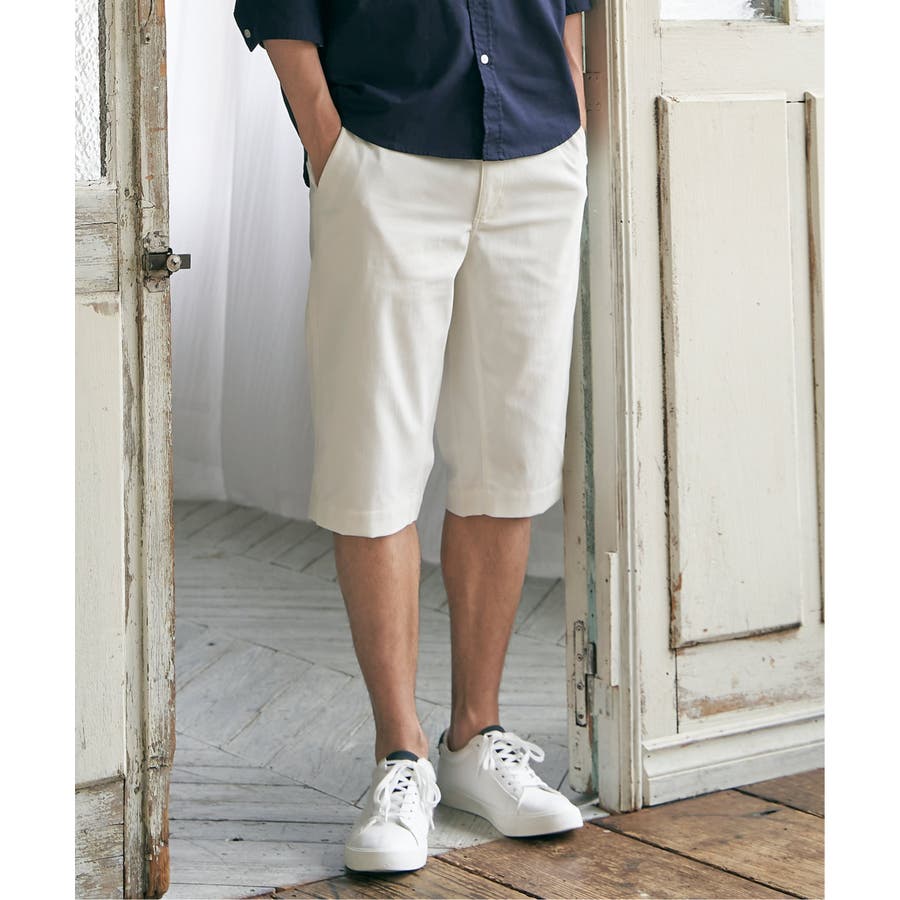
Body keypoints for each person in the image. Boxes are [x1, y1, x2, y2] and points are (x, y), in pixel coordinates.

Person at [232, 0, 592, 874]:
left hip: (537, 151)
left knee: (510, 461)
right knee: (373, 463)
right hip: (384, 154)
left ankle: (475, 737)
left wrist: (572, 113)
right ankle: (401, 756)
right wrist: (331, 146)